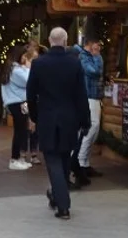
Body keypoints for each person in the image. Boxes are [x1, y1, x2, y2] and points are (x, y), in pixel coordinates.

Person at [27, 27, 90, 219]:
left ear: (49, 39)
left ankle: (63, 205)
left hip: (47, 116)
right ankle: (56, 195)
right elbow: (81, 94)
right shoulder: (75, 64)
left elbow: (31, 94)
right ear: (65, 41)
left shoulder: (38, 64)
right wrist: (85, 119)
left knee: (53, 159)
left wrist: (35, 115)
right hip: (69, 117)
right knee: (63, 158)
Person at [73, 36, 104, 179]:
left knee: (94, 129)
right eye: (97, 44)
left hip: (93, 95)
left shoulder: (87, 56)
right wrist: (97, 57)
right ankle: (80, 161)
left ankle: (84, 162)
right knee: (91, 127)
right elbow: (94, 72)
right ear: (90, 44)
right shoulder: (83, 56)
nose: (99, 47)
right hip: (88, 96)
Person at [1, 45, 34, 172]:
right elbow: (29, 80)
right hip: (17, 103)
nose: (26, 58)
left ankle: (18, 158)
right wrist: (28, 67)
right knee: (20, 131)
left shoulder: (12, 68)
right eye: (24, 56)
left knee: (21, 130)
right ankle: (14, 159)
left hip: (16, 102)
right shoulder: (16, 70)